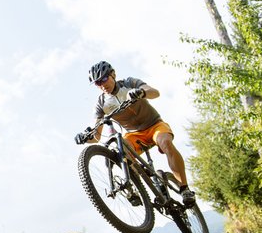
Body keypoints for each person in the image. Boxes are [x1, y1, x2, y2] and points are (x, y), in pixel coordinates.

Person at [75, 60, 196, 207]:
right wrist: (85, 137)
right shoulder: (101, 103)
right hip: (135, 135)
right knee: (120, 152)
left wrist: (141, 92)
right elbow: (96, 136)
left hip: (154, 125)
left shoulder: (128, 83)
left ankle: (184, 189)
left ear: (113, 74)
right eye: (97, 83)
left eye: (104, 79)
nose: (102, 85)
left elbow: (155, 92)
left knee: (165, 142)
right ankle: (134, 189)